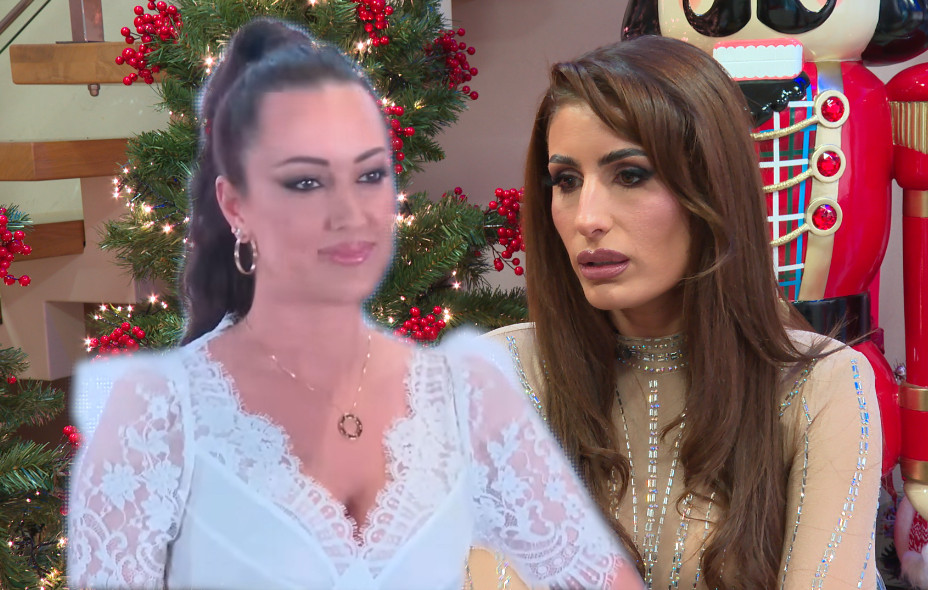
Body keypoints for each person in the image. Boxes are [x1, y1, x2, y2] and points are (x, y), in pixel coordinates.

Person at [66, 18, 644, 590]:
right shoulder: (153, 417)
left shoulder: (464, 394)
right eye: (304, 181)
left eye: (368, 175)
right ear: (236, 205)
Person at [476, 36, 883, 590]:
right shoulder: (501, 375)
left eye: (630, 175)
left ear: (712, 189)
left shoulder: (821, 383)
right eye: (566, 182)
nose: (586, 218)